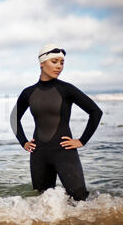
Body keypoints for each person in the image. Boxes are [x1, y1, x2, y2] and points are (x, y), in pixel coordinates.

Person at [10, 43, 103, 201]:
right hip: (38, 155)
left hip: (64, 153)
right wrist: (24, 142)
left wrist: (82, 141)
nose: (59, 66)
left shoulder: (66, 89)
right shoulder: (29, 92)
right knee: (43, 202)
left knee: (80, 200)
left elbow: (95, 112)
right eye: (54, 62)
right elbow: (14, 118)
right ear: (42, 63)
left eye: (62, 62)